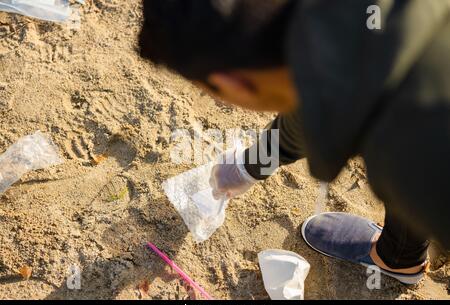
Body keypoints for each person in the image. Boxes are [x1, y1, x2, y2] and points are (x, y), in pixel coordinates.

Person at [139, 0, 450, 284]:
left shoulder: (412, 157)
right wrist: (251, 165)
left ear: (231, 84)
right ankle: (399, 257)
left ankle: (400, 258)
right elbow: (318, 93)